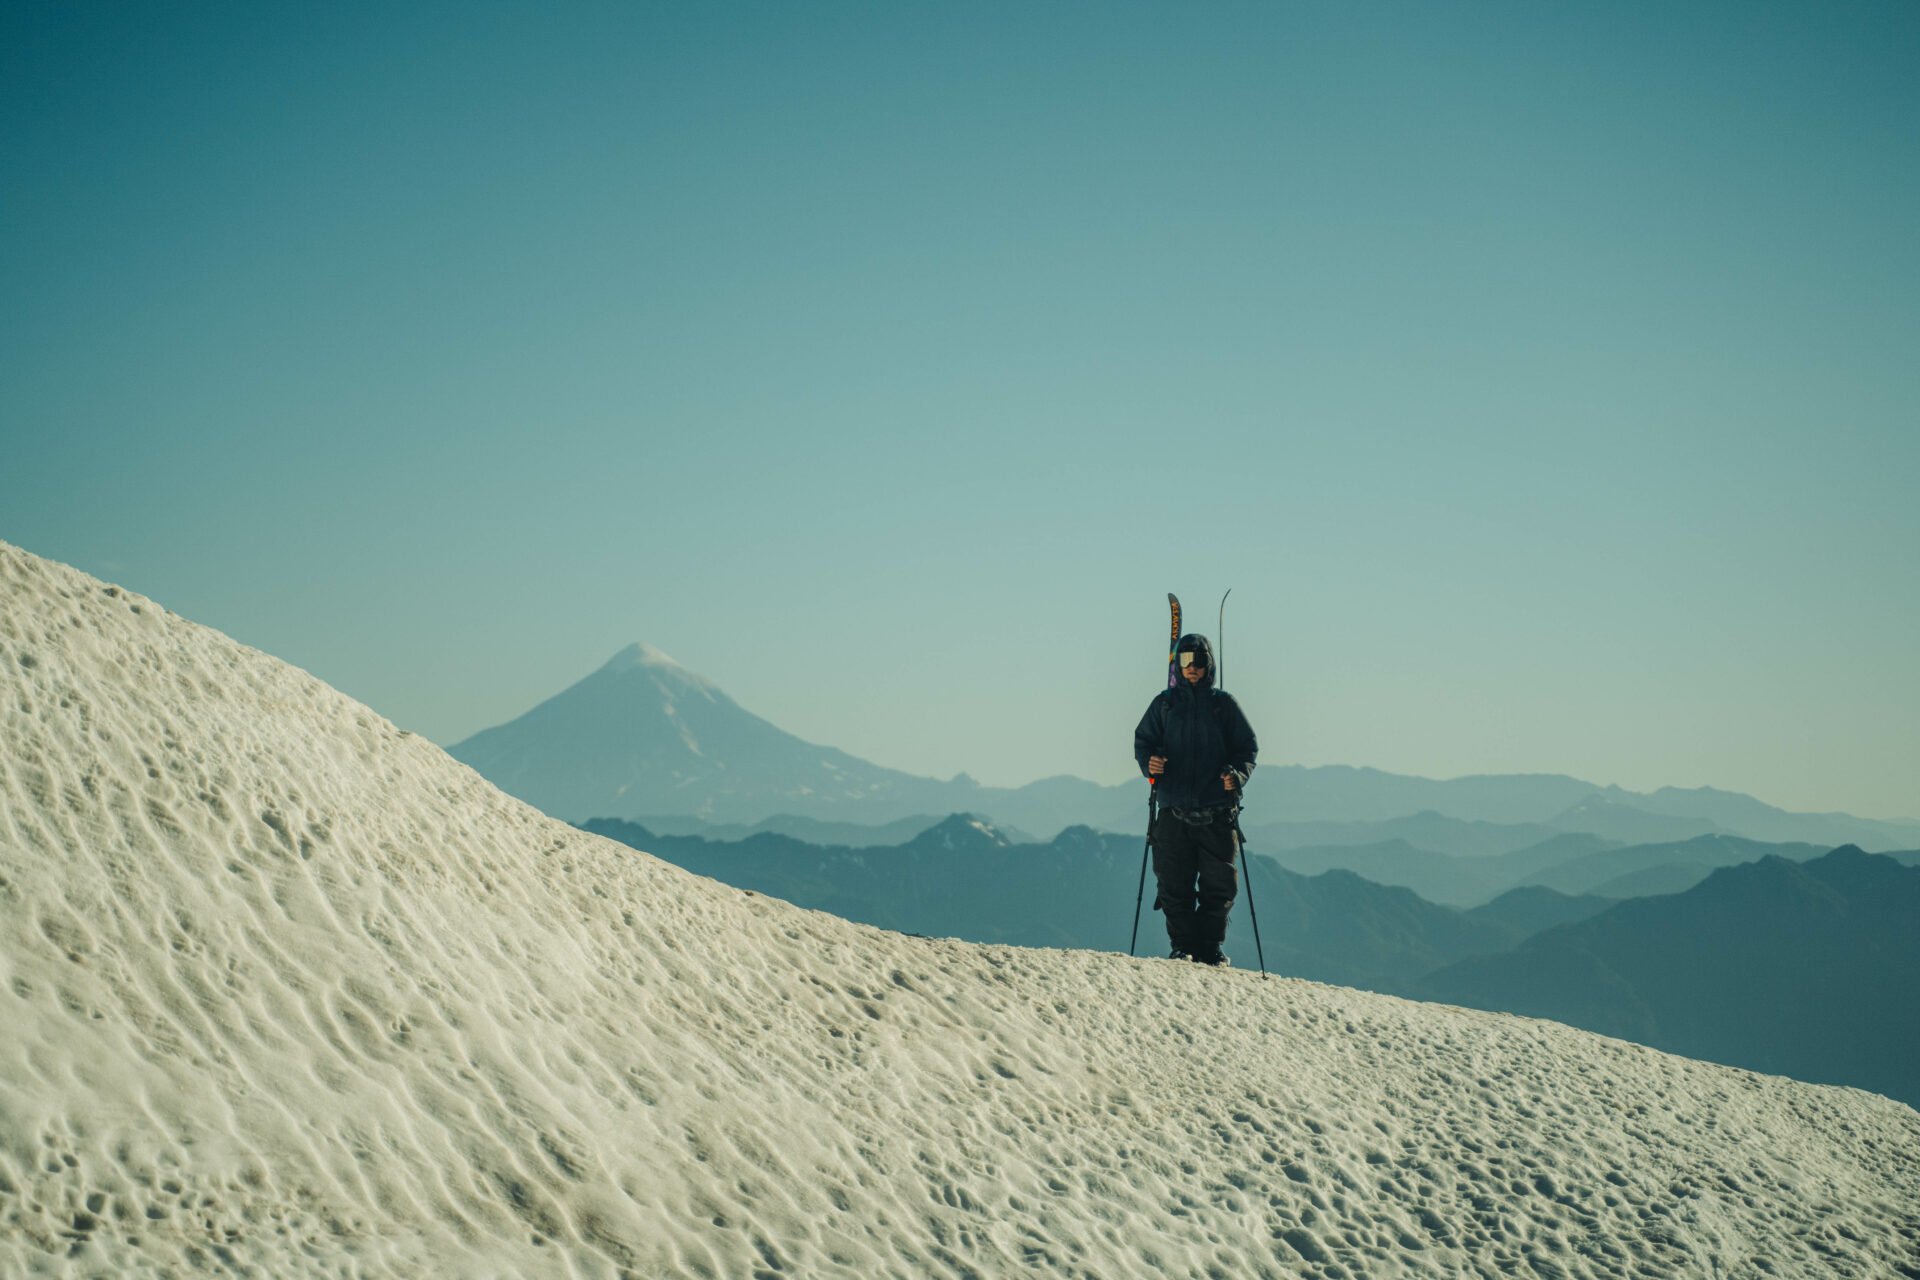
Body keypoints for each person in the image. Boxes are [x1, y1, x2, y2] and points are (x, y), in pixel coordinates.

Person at [1133, 633, 1258, 965]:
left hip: (1216, 811)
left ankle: (1210, 949)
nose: (1192, 668)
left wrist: (1237, 774)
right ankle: (1183, 947)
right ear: (1178, 664)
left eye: (1199, 661)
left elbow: (1247, 748)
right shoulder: (1164, 704)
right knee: (1174, 886)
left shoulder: (1223, 705)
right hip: (1175, 811)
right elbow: (1143, 741)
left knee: (1219, 888)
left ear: (1209, 665)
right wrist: (1149, 763)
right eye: (1186, 661)